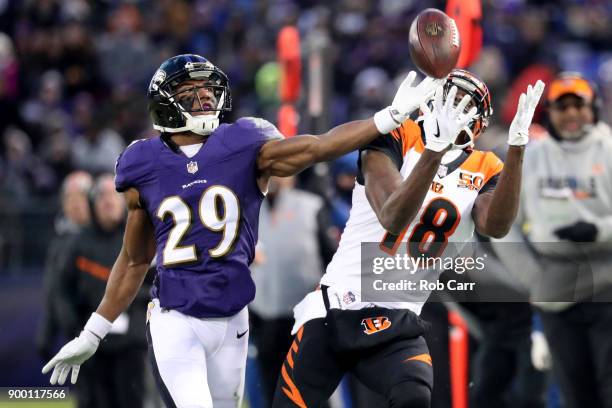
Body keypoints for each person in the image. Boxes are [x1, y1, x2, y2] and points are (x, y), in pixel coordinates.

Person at [42, 54, 444, 408]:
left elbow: (317, 147)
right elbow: (134, 259)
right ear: (165, 103)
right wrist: (94, 332)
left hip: (234, 319)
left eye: (207, 90)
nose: (204, 98)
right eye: (191, 91)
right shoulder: (142, 164)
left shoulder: (244, 142)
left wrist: (387, 118)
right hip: (175, 319)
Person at [273, 69, 545, 408]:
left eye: (468, 104)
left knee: (413, 395)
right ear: (431, 100)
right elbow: (393, 215)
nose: (457, 108)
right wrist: (433, 149)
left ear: (480, 124)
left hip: (398, 317)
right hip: (337, 306)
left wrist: (516, 149)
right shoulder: (397, 135)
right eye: (451, 97)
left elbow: (496, 225)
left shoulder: (486, 165)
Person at [493, 72, 612, 408]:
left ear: (594, 108)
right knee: (574, 390)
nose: (572, 114)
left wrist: (599, 231)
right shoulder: (530, 158)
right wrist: (532, 276)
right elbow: (503, 226)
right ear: (550, 112)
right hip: (555, 289)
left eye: (580, 105)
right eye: (563, 106)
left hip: (607, 280)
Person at [53, 174, 149, 408]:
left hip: (131, 343)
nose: (109, 202)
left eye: (114, 196)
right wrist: (73, 328)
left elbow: (155, 284)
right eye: (102, 196)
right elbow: (61, 290)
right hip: (91, 344)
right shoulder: (78, 243)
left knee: (133, 401)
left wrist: (136, 310)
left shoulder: (140, 236)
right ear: (92, 204)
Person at [249, 175, 334, 405]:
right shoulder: (248, 209)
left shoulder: (311, 205)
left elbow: (331, 258)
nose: (274, 177)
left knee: (310, 388)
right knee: (272, 389)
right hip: (264, 316)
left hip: (306, 317)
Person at [37, 170, 92, 361]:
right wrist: (46, 336)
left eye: (82, 196)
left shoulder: (117, 236)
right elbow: (53, 292)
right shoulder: (59, 244)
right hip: (77, 333)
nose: (75, 203)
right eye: (69, 197)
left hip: (116, 337)